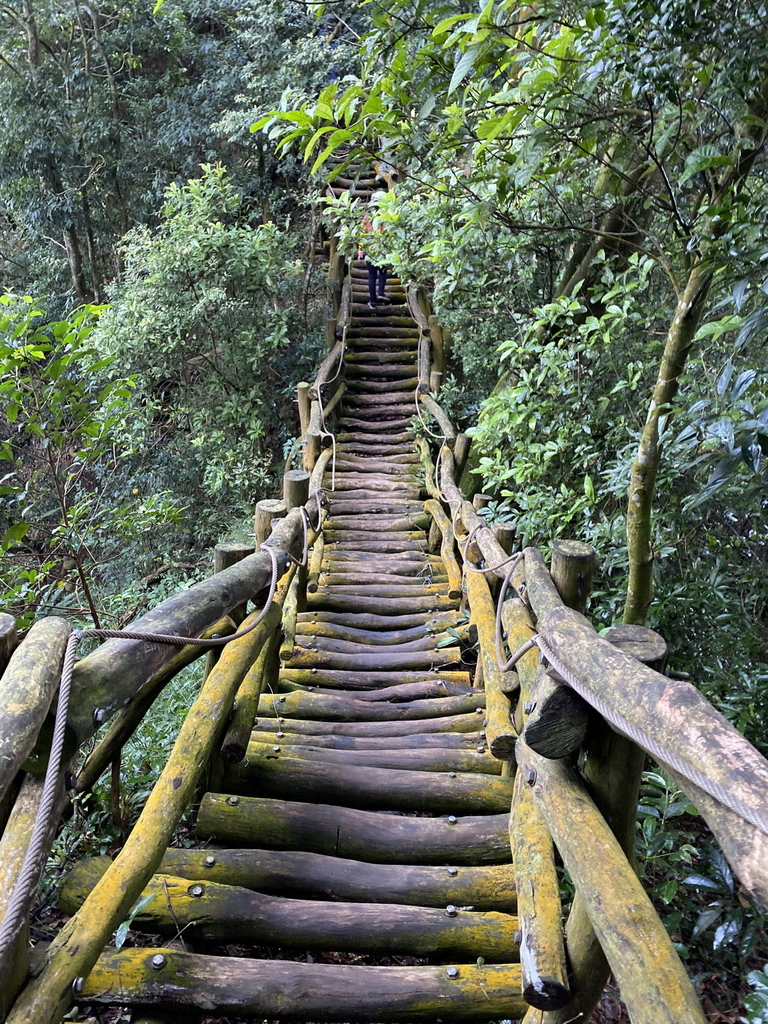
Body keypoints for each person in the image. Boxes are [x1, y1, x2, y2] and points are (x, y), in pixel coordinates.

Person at [357, 193, 391, 309]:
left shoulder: (367, 218)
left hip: (370, 250)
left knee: (372, 276)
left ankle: (372, 302)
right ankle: (381, 292)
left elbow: (361, 235)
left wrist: (360, 252)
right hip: (382, 249)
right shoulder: (386, 216)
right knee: (382, 272)